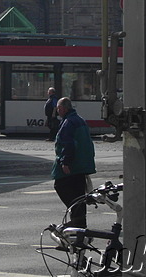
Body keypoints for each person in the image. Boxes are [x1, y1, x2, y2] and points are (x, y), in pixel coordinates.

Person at [52, 97, 96, 228]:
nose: (58, 112)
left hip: (73, 166)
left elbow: (69, 144)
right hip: (83, 165)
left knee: (61, 186)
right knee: (78, 194)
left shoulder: (68, 122)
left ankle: (76, 219)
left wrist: (65, 162)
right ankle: (80, 224)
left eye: (59, 109)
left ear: (64, 109)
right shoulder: (80, 120)